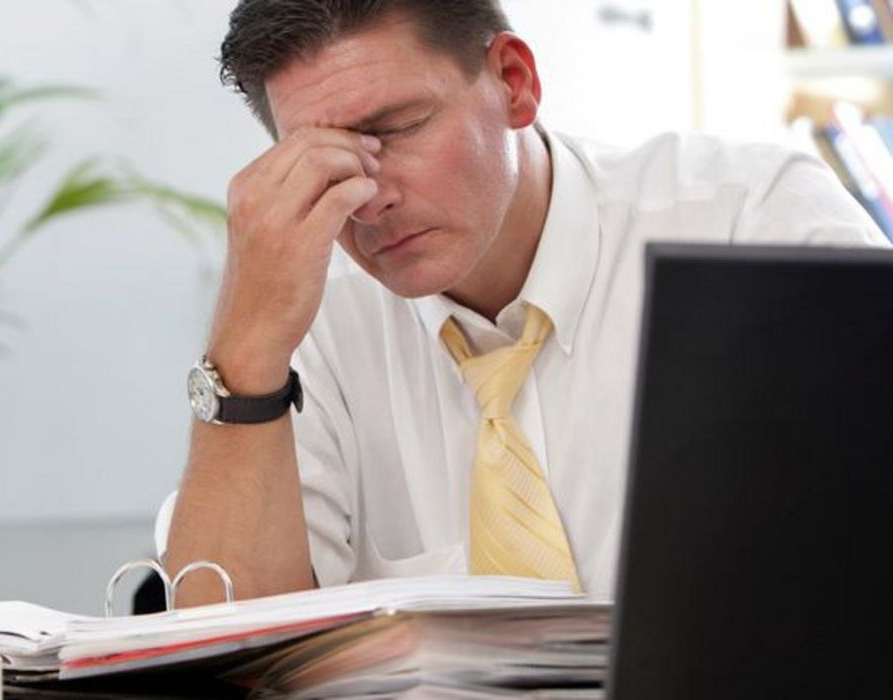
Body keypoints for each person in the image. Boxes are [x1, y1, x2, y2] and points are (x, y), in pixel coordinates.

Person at [161, 0, 889, 607]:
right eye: (321, 161)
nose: (369, 197)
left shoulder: (750, 222)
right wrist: (246, 349)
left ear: (513, 82)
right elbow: (223, 647)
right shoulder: (302, 312)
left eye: (395, 129)